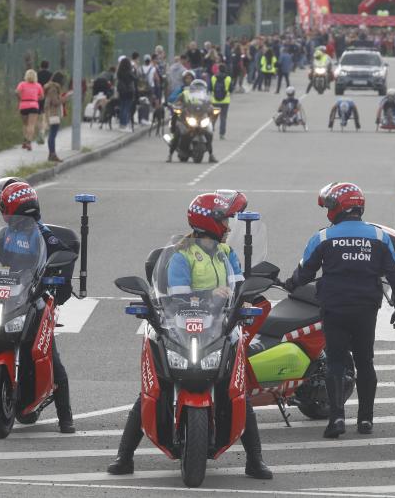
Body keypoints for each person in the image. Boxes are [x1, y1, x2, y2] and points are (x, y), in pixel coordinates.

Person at [108, 191, 272, 480]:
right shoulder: (179, 255)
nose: (228, 227)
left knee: (238, 391)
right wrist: (209, 293)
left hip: (219, 327)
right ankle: (124, 456)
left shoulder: (227, 254)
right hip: (180, 328)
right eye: (224, 220)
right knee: (152, 388)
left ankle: (255, 460)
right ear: (209, 222)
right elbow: (175, 297)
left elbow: (238, 287)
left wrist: (245, 301)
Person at [283, 183, 395, 439]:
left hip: (334, 309)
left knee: (336, 363)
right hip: (365, 310)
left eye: (329, 205)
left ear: (338, 208)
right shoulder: (380, 236)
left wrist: (289, 284)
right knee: (365, 362)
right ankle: (365, 420)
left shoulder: (323, 237)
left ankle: (337, 418)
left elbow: (304, 273)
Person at [0, 181, 76, 433]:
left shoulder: (46, 236)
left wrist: (59, 281)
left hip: (33, 298)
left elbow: (65, 258)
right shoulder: (5, 235)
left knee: (51, 356)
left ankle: (65, 417)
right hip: (3, 295)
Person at [43, 71, 69, 163]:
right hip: (53, 113)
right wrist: (63, 99)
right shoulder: (53, 89)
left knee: (52, 134)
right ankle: (52, 154)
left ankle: (52, 154)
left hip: (51, 113)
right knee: (52, 134)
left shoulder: (50, 87)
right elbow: (55, 102)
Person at [16, 69, 44, 151]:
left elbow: (17, 92)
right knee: (31, 125)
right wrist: (35, 98)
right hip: (34, 105)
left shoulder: (22, 84)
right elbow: (42, 96)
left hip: (23, 105)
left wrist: (21, 97)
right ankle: (29, 142)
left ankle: (25, 140)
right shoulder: (38, 85)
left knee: (25, 124)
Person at [211, 64, 232, 140]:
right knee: (223, 118)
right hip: (225, 101)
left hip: (215, 101)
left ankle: (210, 130)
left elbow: (210, 88)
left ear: (218, 69)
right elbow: (231, 89)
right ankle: (222, 134)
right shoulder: (228, 78)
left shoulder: (213, 78)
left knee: (213, 117)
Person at [116, 57, 136, 132]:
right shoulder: (129, 72)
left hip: (122, 91)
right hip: (129, 92)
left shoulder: (119, 72)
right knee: (127, 108)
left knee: (122, 107)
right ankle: (124, 124)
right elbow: (135, 78)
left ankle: (121, 124)